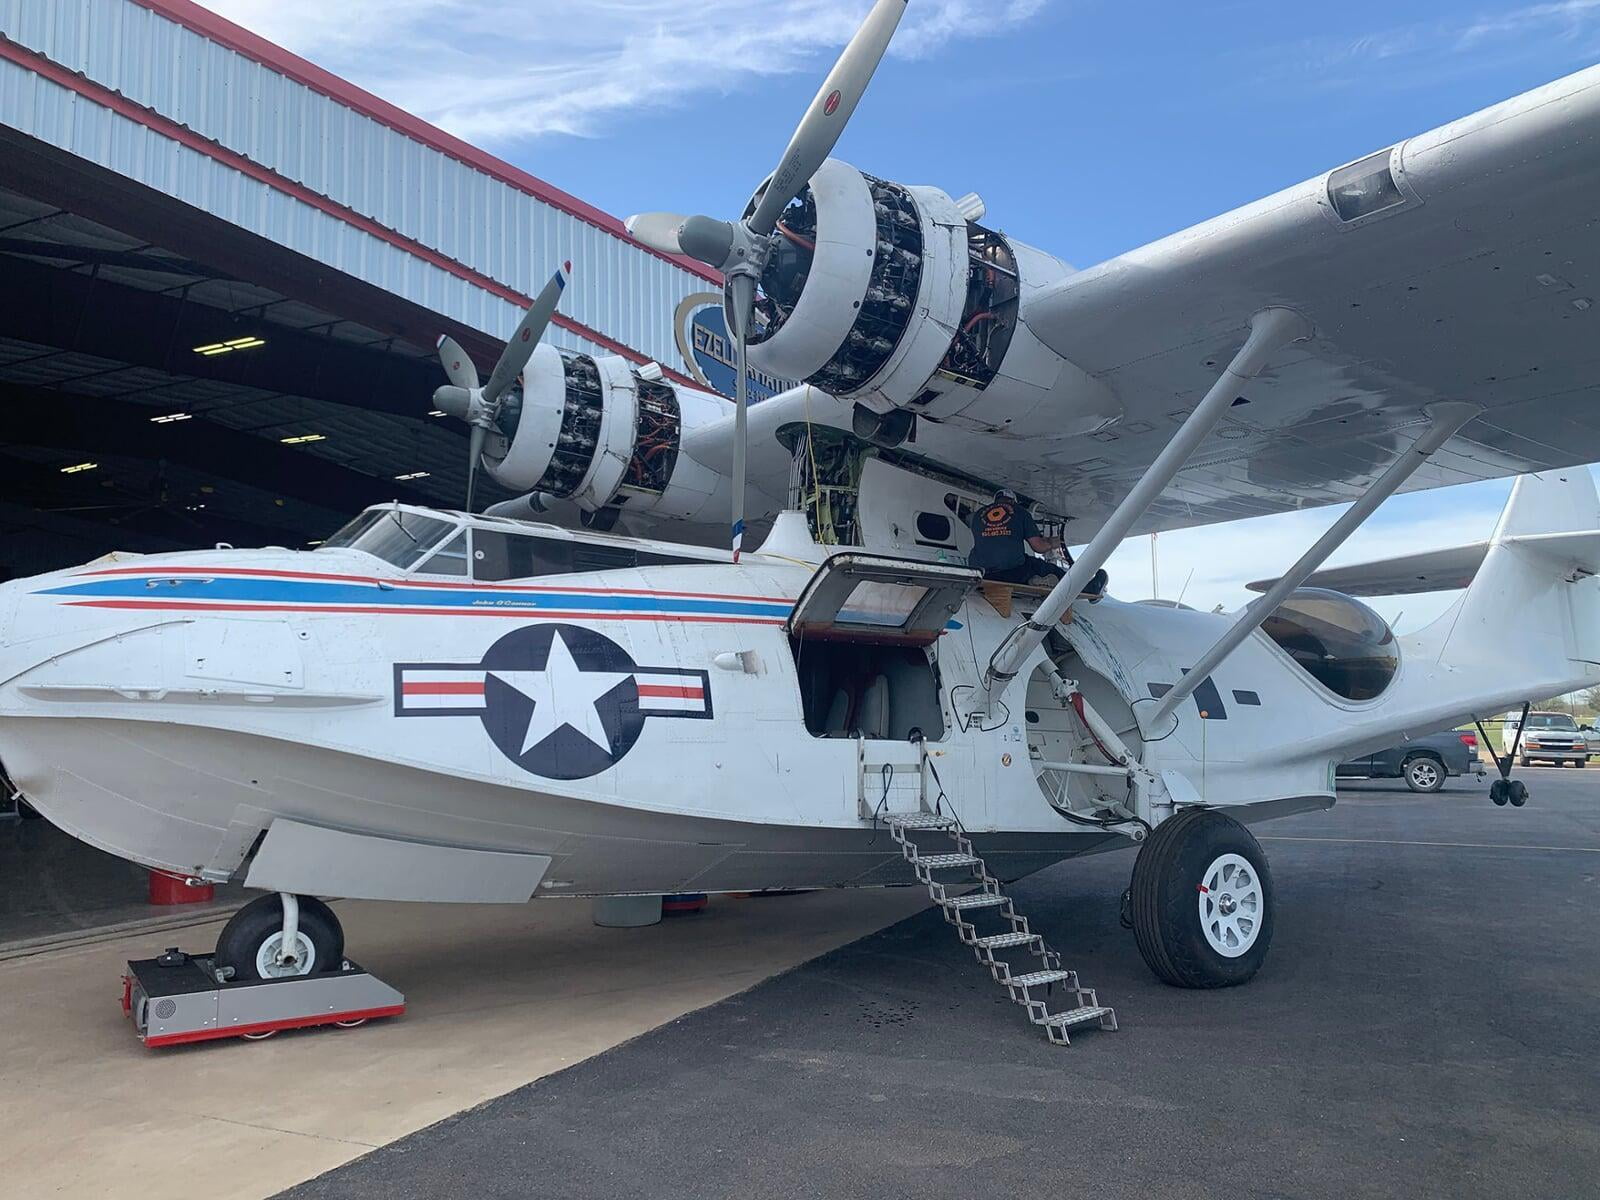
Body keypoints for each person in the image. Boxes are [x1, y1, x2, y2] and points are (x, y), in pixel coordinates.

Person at [966, 490, 1107, 597]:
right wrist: (1055, 542)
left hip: (979, 572)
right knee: (1045, 567)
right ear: (1013, 501)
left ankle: (1035, 579)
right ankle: (1088, 588)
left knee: (1024, 563)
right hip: (1009, 571)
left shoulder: (978, 515)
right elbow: (1039, 547)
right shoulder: (1020, 512)